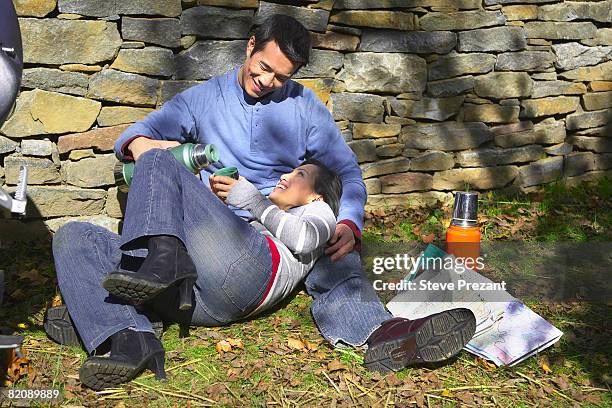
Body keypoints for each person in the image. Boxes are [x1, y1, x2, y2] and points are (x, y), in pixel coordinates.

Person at [48, 14, 476, 389]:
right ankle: (129, 334)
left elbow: (343, 172)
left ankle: (383, 333)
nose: (268, 82)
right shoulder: (204, 99)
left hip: (254, 243)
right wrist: (141, 145)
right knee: (71, 237)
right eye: (264, 68)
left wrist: (349, 221)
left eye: (280, 77)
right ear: (250, 46)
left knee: (328, 238)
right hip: (196, 271)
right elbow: (137, 134)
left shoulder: (304, 107)